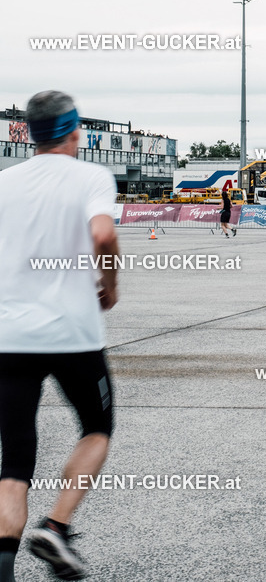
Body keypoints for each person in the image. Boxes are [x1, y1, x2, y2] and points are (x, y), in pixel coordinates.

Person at [0, 91, 119, 581]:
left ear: (27, 134)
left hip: (11, 336)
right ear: (77, 132)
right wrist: (109, 286)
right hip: (74, 333)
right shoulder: (91, 176)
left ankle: (4, 565)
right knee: (96, 427)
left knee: (15, 457)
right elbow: (103, 235)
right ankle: (56, 527)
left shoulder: (6, 182)